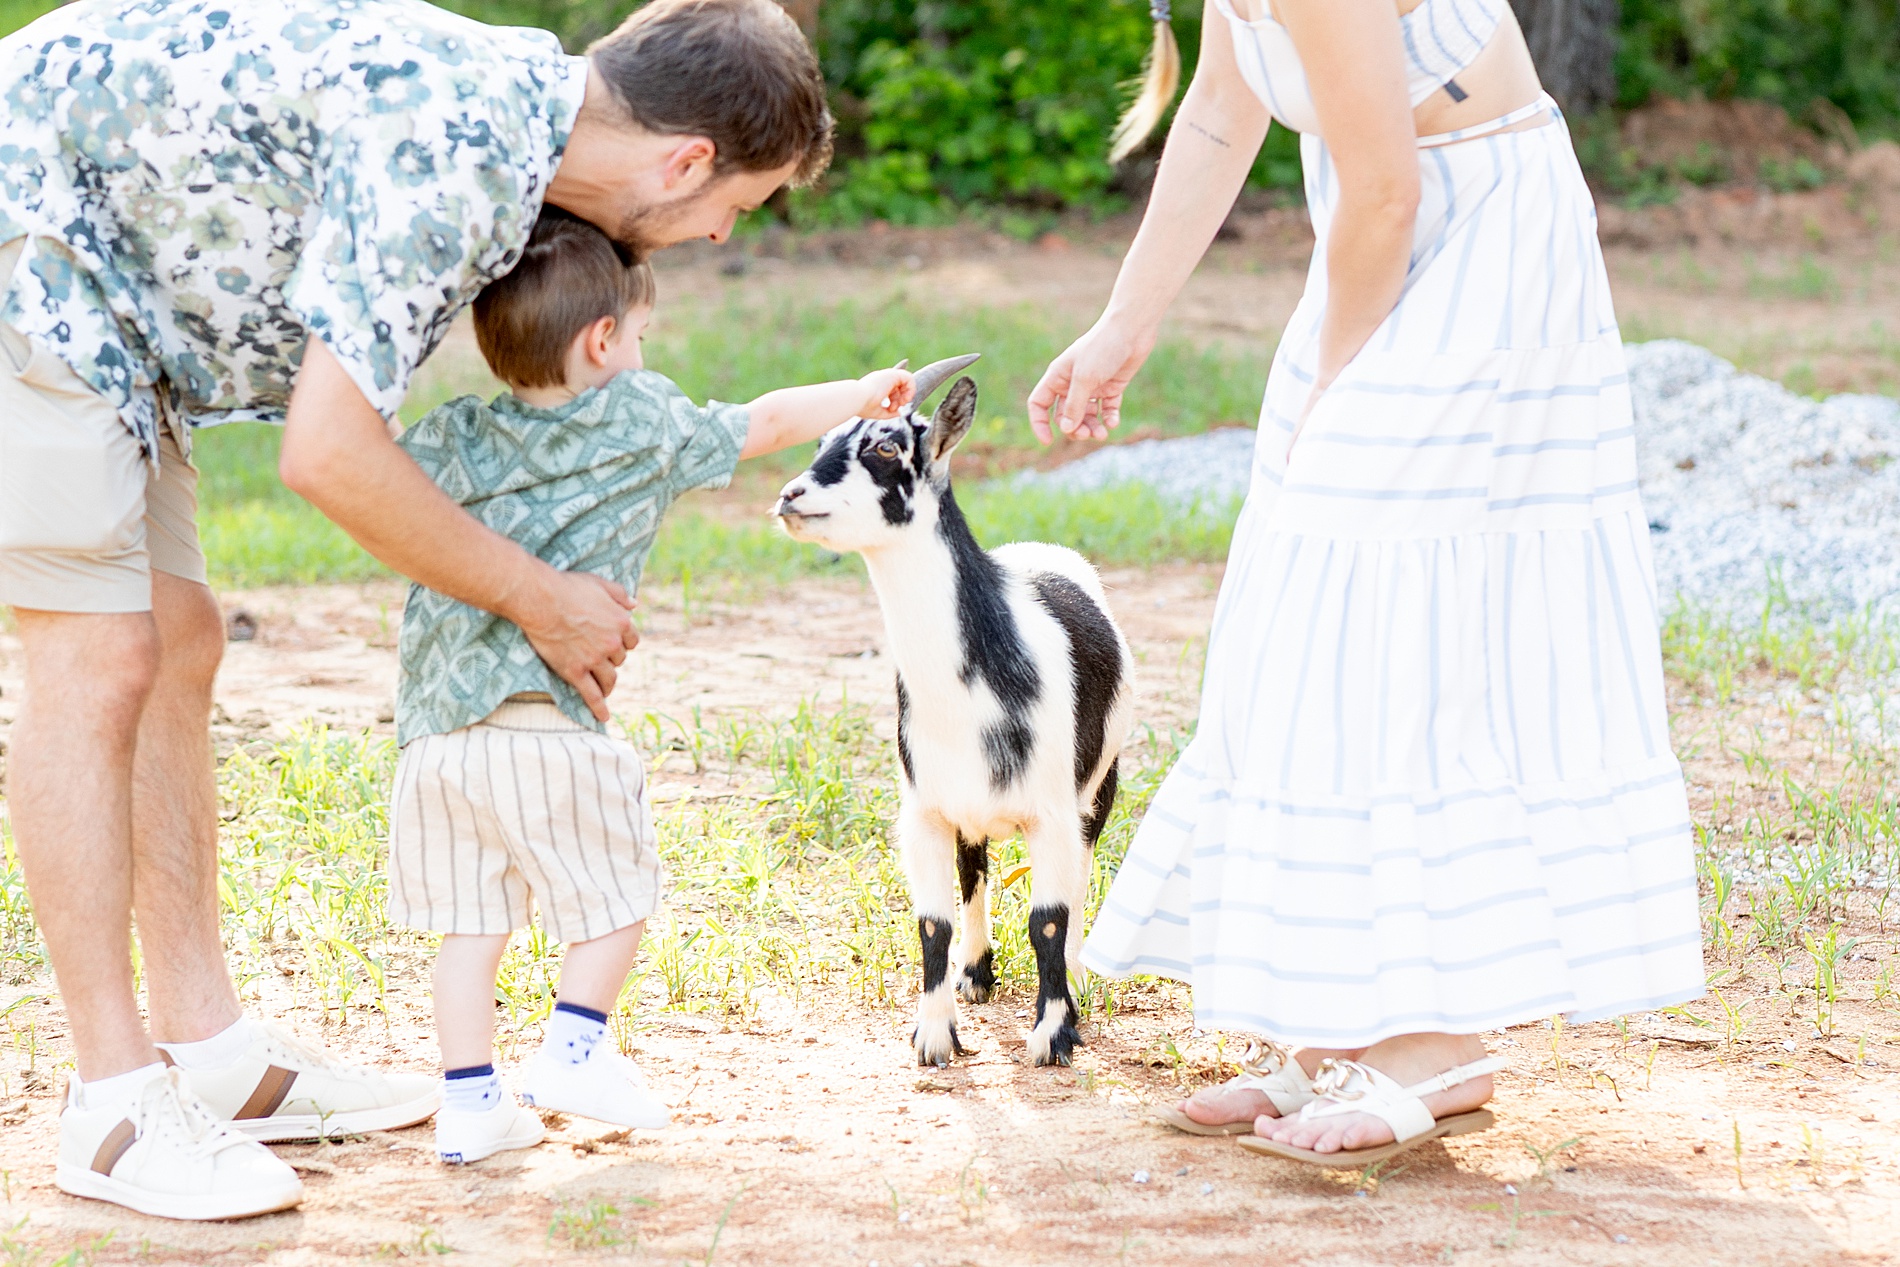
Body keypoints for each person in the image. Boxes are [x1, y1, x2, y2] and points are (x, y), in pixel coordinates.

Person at [0, 0, 830, 1220]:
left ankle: (207, 1048)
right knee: (98, 650)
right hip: (33, 238)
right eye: (734, 208)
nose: (713, 234)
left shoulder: (510, 128)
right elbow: (330, 456)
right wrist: (540, 599)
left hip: (112, 294)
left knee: (179, 641)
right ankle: (113, 1104)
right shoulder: (461, 150)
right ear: (686, 161)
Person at [1031, 0, 1704, 1166]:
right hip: (1393, 223)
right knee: (1307, 611)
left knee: (1377, 613)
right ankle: (1334, 1013)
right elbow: (1217, 112)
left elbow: (1387, 187)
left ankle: (1429, 1043)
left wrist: (1337, 387)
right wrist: (1121, 325)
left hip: (1478, 233)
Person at [392, 210, 915, 1165]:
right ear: (603, 340)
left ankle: (470, 1102)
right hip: (549, 726)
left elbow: (383, 479)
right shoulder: (641, 420)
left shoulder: (456, 433)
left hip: (435, 734)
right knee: (616, 895)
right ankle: (572, 1047)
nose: (642, 350)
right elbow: (765, 422)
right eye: (638, 334)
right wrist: (863, 396)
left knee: (470, 923)